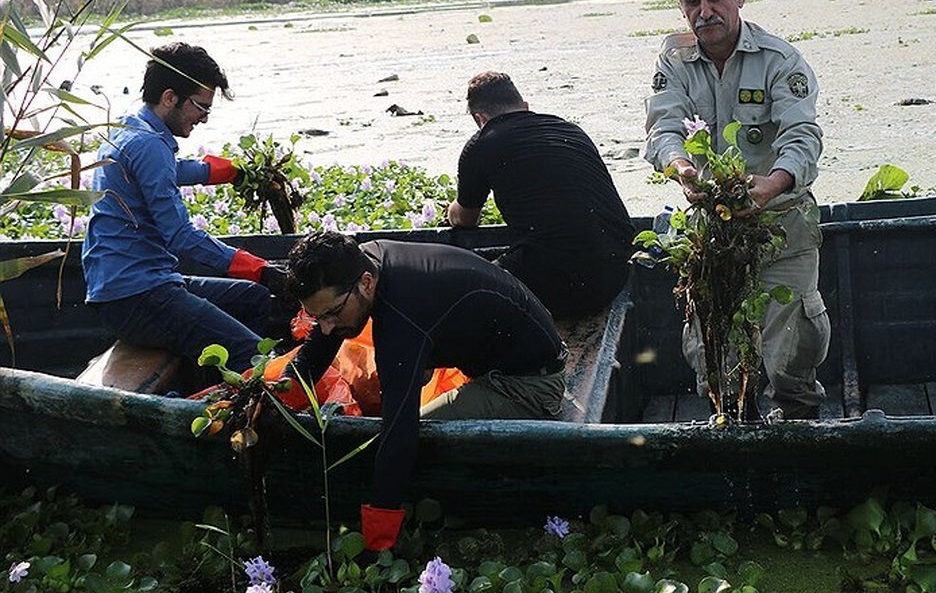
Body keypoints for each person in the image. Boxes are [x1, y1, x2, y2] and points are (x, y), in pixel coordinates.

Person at [284, 231, 567, 551]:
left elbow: (399, 435)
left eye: (333, 313)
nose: (326, 327)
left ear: (365, 283)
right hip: (494, 345)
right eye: (317, 317)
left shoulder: (401, 316)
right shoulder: (359, 263)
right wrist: (275, 401)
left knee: (420, 442)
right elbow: (318, 349)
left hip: (527, 383)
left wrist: (378, 539)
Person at [642, 0, 831, 420]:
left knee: (792, 352)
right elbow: (663, 129)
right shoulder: (674, 61)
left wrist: (772, 183)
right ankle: (728, 423)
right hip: (713, 227)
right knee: (713, 353)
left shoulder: (780, 61)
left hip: (780, 223)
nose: (704, 12)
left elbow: (802, 135)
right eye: (692, 1)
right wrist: (682, 169)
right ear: (680, 5)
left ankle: (799, 424)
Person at [82, 42, 286, 372]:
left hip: (132, 286)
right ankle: (233, 403)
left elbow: (164, 172)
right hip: (139, 297)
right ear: (170, 97)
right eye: (201, 107)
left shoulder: (130, 127)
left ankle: (211, 385)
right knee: (253, 353)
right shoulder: (149, 145)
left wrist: (220, 171)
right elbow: (180, 237)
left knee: (254, 299)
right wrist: (255, 267)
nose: (204, 118)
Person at [447, 71, 633, 318]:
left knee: (456, 288)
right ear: (524, 106)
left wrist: (451, 210)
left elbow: (465, 218)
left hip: (558, 282)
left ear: (480, 119)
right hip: (616, 272)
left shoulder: (482, 143)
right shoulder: (570, 130)